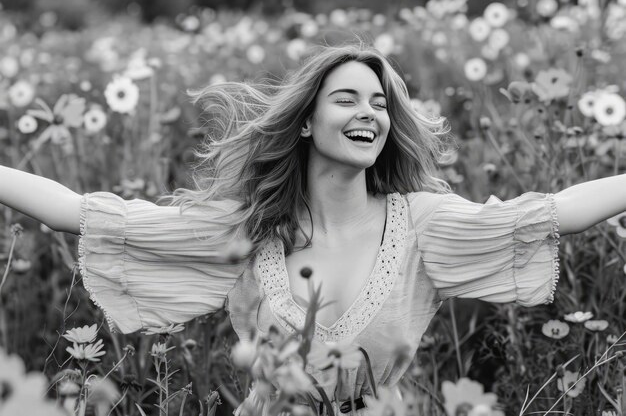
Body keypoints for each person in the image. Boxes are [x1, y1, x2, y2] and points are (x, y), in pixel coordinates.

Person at [1, 43, 625, 415]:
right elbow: (76, 211)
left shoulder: (424, 224)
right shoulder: (246, 228)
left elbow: (551, 213)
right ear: (306, 122)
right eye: (348, 98)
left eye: (380, 103)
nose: (370, 114)